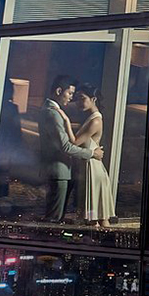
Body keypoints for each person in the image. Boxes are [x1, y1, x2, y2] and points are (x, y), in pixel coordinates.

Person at [39, 74, 103, 222]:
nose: (71, 98)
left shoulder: (51, 110)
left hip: (59, 170)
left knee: (55, 216)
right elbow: (66, 147)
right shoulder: (52, 113)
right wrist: (92, 154)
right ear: (59, 91)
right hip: (58, 170)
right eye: (70, 93)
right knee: (54, 218)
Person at [66, 84, 115, 227]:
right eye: (78, 99)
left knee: (98, 216)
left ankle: (106, 239)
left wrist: (65, 120)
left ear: (93, 99)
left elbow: (75, 142)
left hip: (92, 169)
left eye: (82, 98)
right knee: (97, 216)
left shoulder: (95, 120)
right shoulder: (92, 118)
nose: (78, 102)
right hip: (90, 166)